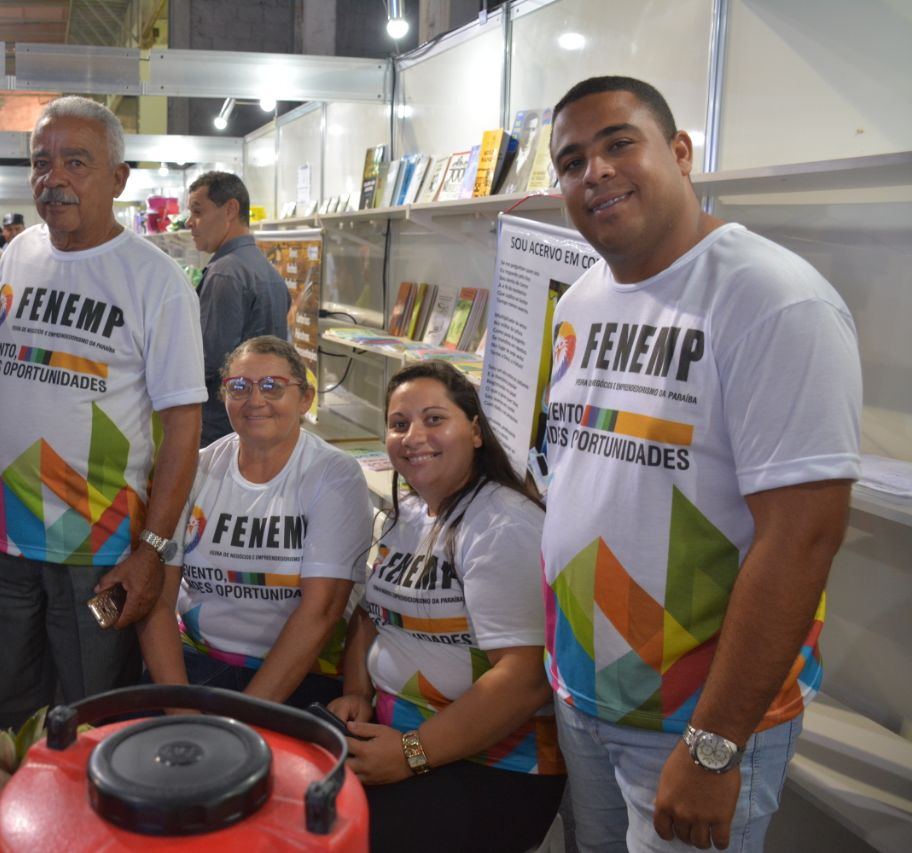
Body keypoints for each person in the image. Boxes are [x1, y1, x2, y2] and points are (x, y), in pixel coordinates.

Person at [542, 76, 861, 852]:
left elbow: (803, 539)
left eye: (620, 142)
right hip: (584, 694)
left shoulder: (774, 300)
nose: (597, 172)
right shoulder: (581, 300)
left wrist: (715, 743)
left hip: (695, 723)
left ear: (681, 153)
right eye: (573, 159)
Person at [0, 95, 205, 729]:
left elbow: (185, 425)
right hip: (1, 539)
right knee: (1, 715)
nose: (56, 178)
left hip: (99, 553)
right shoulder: (16, 255)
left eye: (77, 161)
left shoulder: (157, 281)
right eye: (42, 162)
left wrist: (151, 551)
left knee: (92, 718)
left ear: (118, 179)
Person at [329, 361, 564, 852]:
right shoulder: (409, 514)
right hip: (397, 738)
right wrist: (356, 690)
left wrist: (412, 753)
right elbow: (372, 613)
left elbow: (524, 677)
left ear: (475, 432)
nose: (414, 435)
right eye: (399, 424)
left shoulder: (502, 525)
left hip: (490, 765)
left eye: (434, 419)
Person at [138, 336, 371, 708]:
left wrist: (243, 722)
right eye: (239, 387)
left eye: (272, 387)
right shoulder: (195, 469)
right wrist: (178, 708)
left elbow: (321, 612)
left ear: (306, 399)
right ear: (223, 396)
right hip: (196, 665)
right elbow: (158, 599)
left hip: (300, 677)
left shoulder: (333, 475)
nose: (255, 400)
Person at [186, 171, 290, 447]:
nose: (189, 223)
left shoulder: (225, 273)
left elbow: (207, 360)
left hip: (220, 426)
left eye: (198, 211)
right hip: (256, 420)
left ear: (230, 209)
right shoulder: (266, 271)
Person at [500, 110, 542, 195]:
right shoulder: (508, 157)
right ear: (522, 130)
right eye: (527, 129)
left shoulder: (536, 159)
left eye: (533, 130)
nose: (529, 134)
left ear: (536, 132)